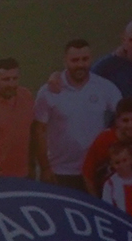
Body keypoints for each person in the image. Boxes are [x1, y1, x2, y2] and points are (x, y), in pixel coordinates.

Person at [33, 39, 122, 191]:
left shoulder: (105, 87)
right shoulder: (49, 91)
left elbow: (124, 119)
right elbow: (38, 131)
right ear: (65, 61)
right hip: (60, 172)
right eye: (75, 60)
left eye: (85, 59)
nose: (80, 64)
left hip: (95, 170)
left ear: (91, 59)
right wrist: (45, 168)